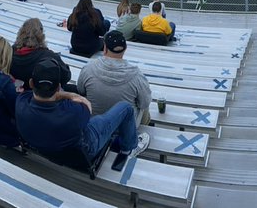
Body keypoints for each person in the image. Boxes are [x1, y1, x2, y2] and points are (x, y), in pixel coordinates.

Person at [15, 59, 150, 173]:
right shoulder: (73, 113)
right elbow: (87, 106)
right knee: (124, 108)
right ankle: (130, 147)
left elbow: (32, 96)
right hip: (86, 147)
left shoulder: (20, 103)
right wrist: (70, 95)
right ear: (58, 88)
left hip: (46, 147)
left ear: (32, 83)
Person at [77, 31, 152, 123]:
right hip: (125, 129)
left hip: (95, 124)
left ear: (105, 48)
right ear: (125, 49)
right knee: (145, 101)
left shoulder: (88, 68)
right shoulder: (137, 75)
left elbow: (80, 90)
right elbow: (145, 103)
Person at [10, 18, 70, 89]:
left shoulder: (10, 53)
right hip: (41, 95)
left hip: (16, 92)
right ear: (41, 35)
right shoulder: (48, 56)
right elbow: (66, 76)